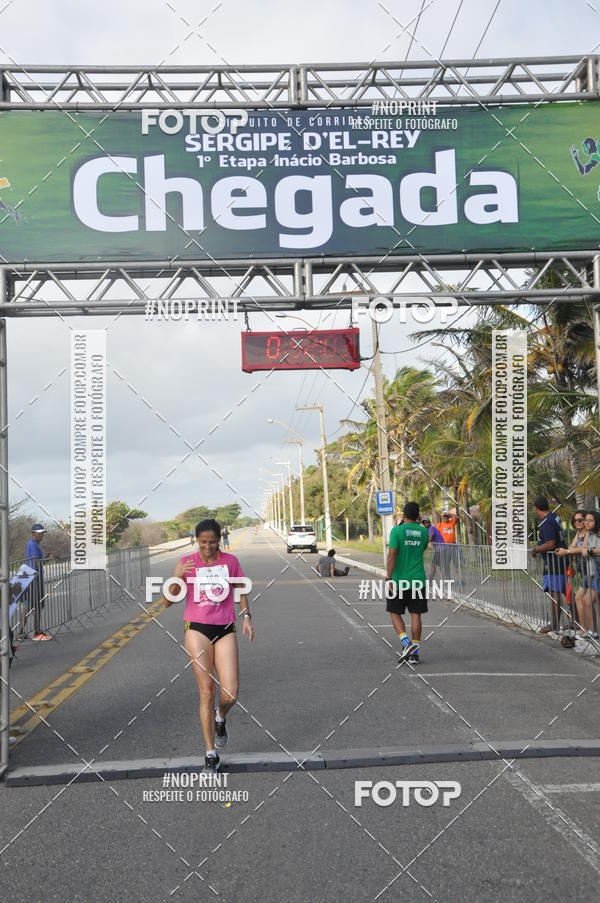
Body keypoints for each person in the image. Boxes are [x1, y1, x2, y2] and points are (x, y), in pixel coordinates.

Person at [161, 519, 253, 774]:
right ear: (197, 540)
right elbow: (167, 603)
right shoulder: (186, 563)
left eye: (213, 542)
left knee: (231, 693)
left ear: (219, 539)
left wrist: (246, 615)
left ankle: (220, 717)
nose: (208, 547)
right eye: (203, 542)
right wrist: (177, 576)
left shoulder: (230, 561)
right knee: (206, 692)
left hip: (225, 628)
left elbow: (241, 589)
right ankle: (210, 753)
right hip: (197, 629)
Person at [386, 501, 429, 665]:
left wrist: (388, 578)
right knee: (415, 614)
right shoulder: (424, 532)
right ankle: (415, 652)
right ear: (418, 515)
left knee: (394, 612)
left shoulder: (396, 531)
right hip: (418, 579)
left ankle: (406, 643)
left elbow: (392, 555)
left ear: (404, 515)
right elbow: (422, 549)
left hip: (398, 581)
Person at [531, 496, 567, 634]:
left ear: (536, 508)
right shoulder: (554, 517)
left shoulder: (546, 522)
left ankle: (555, 625)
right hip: (559, 559)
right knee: (565, 590)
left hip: (555, 560)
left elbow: (550, 544)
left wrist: (535, 549)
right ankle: (575, 620)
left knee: (555, 592)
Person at [556, 511, 588, 636]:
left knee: (582, 599)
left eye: (580, 520)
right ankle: (586, 628)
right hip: (582, 570)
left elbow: (580, 549)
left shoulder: (589, 534)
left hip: (592, 570)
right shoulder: (579, 533)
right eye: (575, 521)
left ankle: (585, 629)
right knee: (584, 599)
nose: (577, 523)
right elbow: (572, 546)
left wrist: (569, 551)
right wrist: (571, 550)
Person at [24, 523, 51, 641]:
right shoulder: (32, 544)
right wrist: (46, 558)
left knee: (31, 605)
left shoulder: (35, 544)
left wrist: (46, 558)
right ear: (33, 533)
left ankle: (22, 632)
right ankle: (36, 632)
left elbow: (39, 561)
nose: (41, 535)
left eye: (42, 533)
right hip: (33, 579)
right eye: (39, 533)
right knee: (35, 605)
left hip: (34, 577)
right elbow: (36, 561)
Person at [579, 510, 600, 641]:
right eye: (585, 520)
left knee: (587, 601)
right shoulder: (590, 534)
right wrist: (584, 549)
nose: (587, 522)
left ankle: (593, 633)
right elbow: (582, 547)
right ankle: (594, 632)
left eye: (590, 520)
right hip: (594, 572)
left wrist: (590, 550)